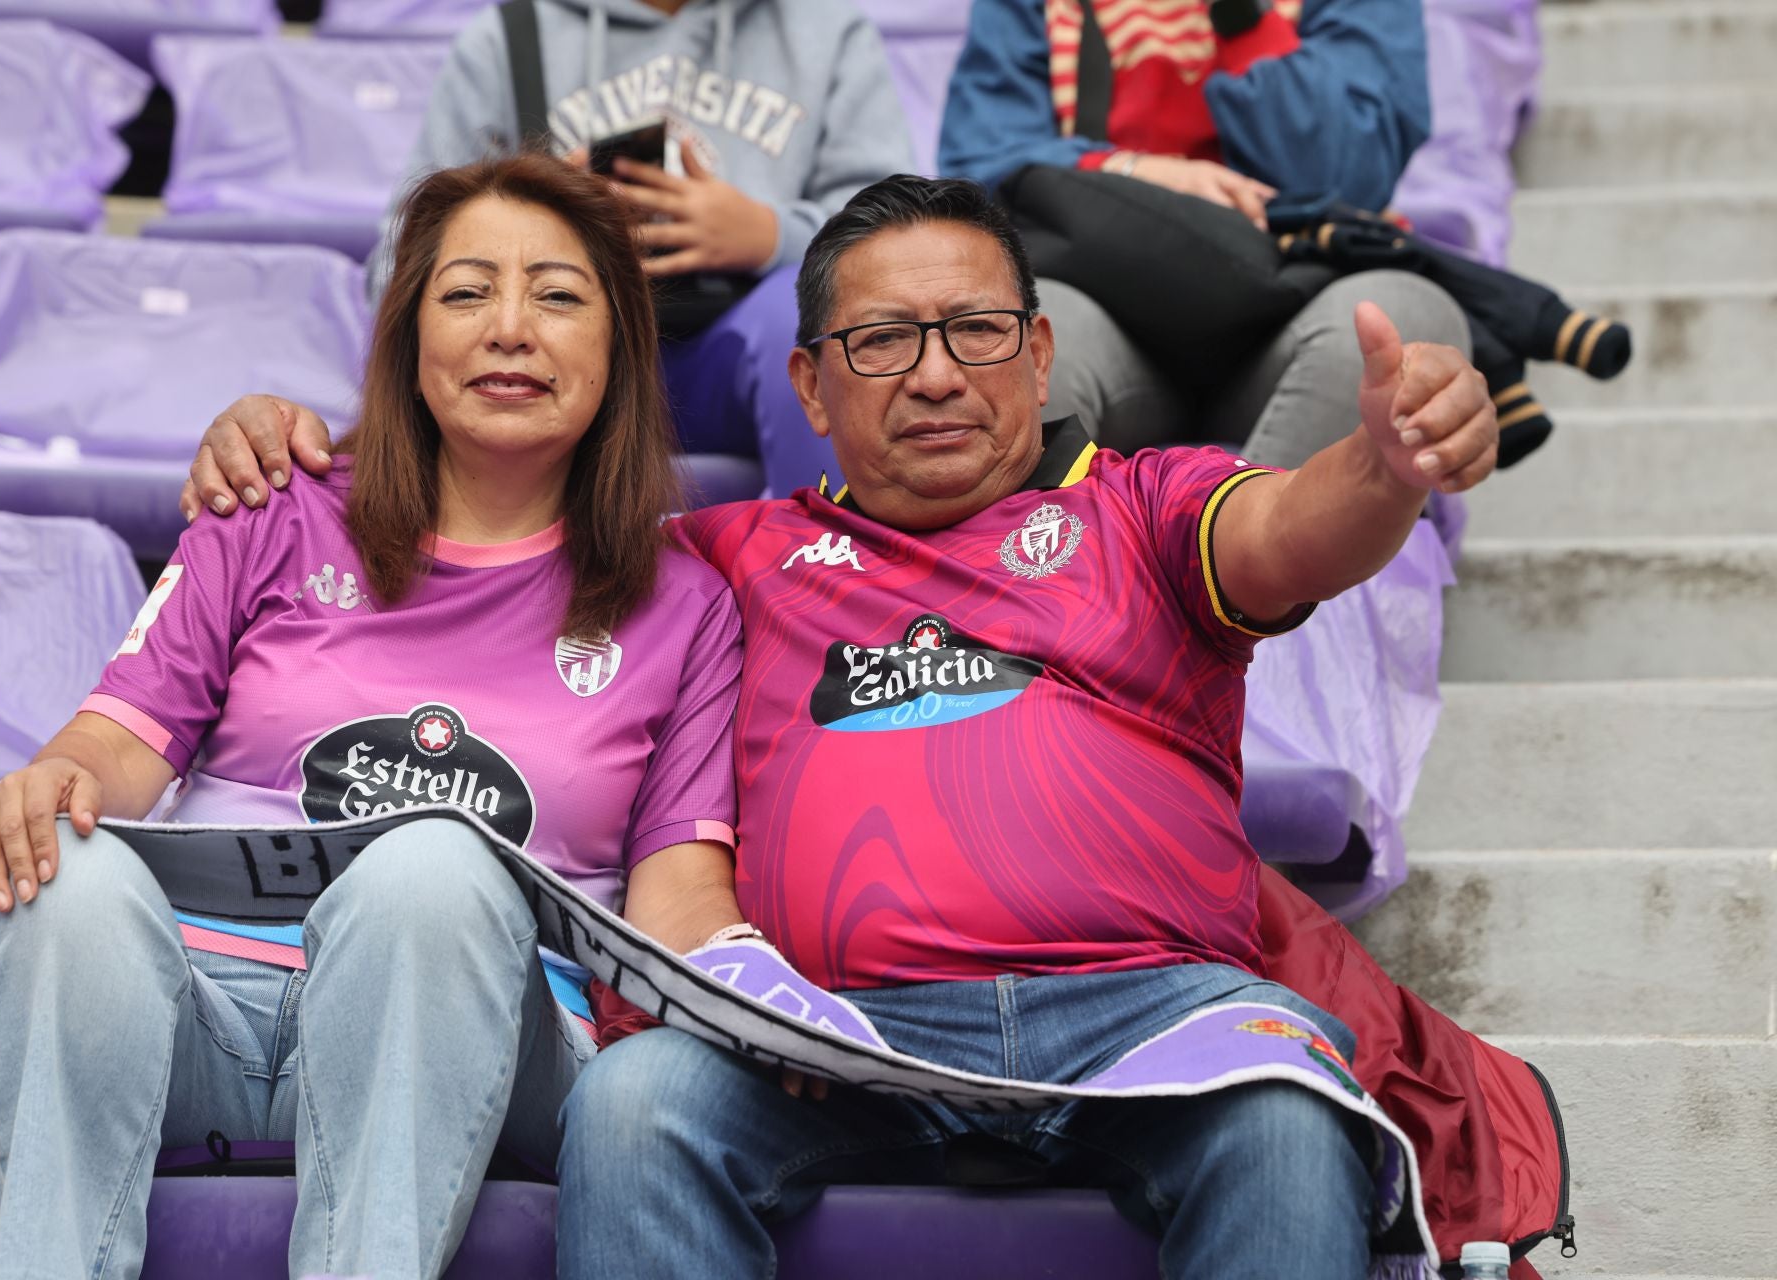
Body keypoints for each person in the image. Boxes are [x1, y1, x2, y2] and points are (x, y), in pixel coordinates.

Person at [183, 173, 1498, 1277]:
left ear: (1039, 359)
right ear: (811, 387)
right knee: (639, 1106)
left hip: (1144, 1011)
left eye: (975, 332)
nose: (934, 376)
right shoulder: (722, 558)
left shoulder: (1141, 511)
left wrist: (1382, 465)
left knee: (1282, 1119)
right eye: (882, 343)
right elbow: (487, 536)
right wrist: (296, 450)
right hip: (824, 1030)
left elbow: (1291, 532)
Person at [0, 153, 750, 1280]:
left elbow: (678, 896)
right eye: (467, 292)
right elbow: (112, 747)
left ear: (620, 345)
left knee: (430, 868)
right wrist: (54, 777)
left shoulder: (685, 602)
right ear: (407, 340)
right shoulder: (270, 507)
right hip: (193, 1005)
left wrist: (778, 1010)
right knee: (56, 871)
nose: (510, 328)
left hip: (476, 1033)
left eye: (558, 296)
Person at [357, 0, 913, 500]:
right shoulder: (508, 34)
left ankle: (837, 579)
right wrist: (537, 214)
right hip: (565, 349)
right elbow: (399, 266)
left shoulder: (829, 28)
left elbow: (904, 247)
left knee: (811, 326)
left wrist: (771, 234)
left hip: (734, 355)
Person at [935, 0, 1472, 470]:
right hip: (1108, 304)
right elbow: (980, 172)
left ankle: (1252, 570)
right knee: (1015, 340)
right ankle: (1040, 572)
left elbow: (1350, 175)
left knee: (1397, 322)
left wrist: (1240, 17)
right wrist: (1132, 171)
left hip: (1289, 302)